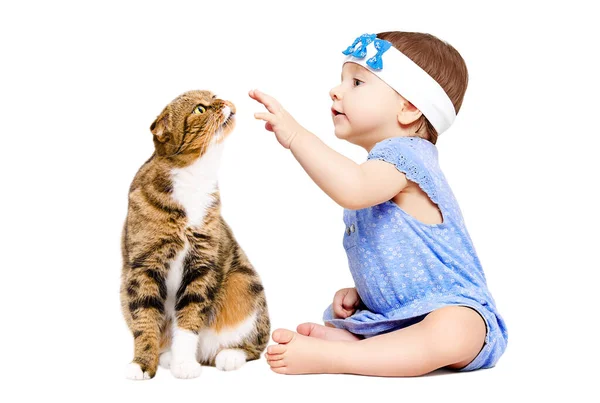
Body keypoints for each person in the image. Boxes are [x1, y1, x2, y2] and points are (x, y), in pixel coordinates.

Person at [249, 31, 507, 376]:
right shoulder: (380, 170)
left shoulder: (406, 155)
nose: (336, 91)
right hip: (401, 317)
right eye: (342, 80)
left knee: (455, 327)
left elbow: (353, 187)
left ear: (410, 107)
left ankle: (340, 357)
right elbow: (401, 255)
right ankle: (374, 346)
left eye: (357, 82)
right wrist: (364, 291)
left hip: (457, 311)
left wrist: (297, 136)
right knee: (370, 316)